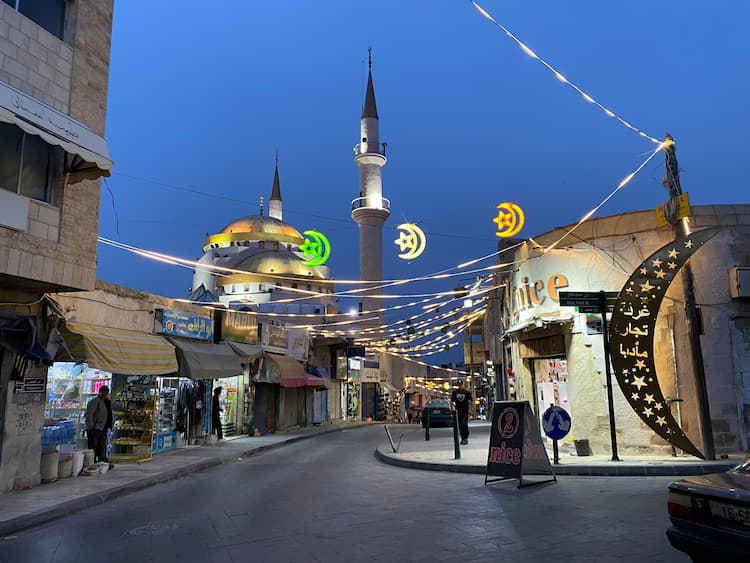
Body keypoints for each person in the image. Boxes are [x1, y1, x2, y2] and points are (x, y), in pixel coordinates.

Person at [86, 386, 111, 464]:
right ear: (100, 392)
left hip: (103, 428)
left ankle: (102, 461)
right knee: (93, 446)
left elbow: (113, 407)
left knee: (102, 445)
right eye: (104, 393)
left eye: (107, 393)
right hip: (95, 428)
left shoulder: (105, 402)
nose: (106, 394)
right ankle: (91, 462)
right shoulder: (95, 401)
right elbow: (89, 414)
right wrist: (91, 426)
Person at [450, 380, 473, 444]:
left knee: (464, 423)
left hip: (465, 410)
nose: (459, 386)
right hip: (458, 410)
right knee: (460, 425)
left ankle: (466, 437)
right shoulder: (455, 392)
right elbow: (452, 401)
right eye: (458, 385)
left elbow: (471, 401)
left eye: (460, 384)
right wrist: (452, 408)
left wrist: (471, 410)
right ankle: (463, 438)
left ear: (463, 384)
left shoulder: (467, 392)